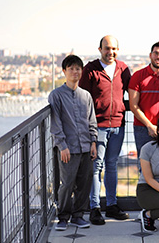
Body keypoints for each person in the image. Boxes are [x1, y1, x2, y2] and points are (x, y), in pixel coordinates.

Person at [79, 35, 131, 225]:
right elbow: (83, 99)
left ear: (118, 50)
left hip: (118, 125)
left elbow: (131, 93)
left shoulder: (123, 68)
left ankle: (111, 205)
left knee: (112, 165)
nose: (111, 52)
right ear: (100, 49)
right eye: (107, 48)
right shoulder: (91, 69)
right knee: (96, 167)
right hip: (97, 126)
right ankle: (95, 207)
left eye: (114, 49)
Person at [49, 55, 98, 231]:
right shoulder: (56, 95)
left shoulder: (86, 96)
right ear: (64, 71)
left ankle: (78, 216)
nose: (75, 72)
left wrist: (93, 142)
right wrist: (62, 146)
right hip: (68, 148)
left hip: (86, 146)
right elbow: (56, 124)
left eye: (78, 68)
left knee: (85, 183)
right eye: (71, 68)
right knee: (67, 184)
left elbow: (92, 121)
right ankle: (63, 217)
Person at [128, 41, 159, 167]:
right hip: (142, 128)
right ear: (150, 55)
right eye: (156, 53)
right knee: (144, 167)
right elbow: (133, 105)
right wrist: (149, 125)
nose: (158, 56)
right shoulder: (138, 76)